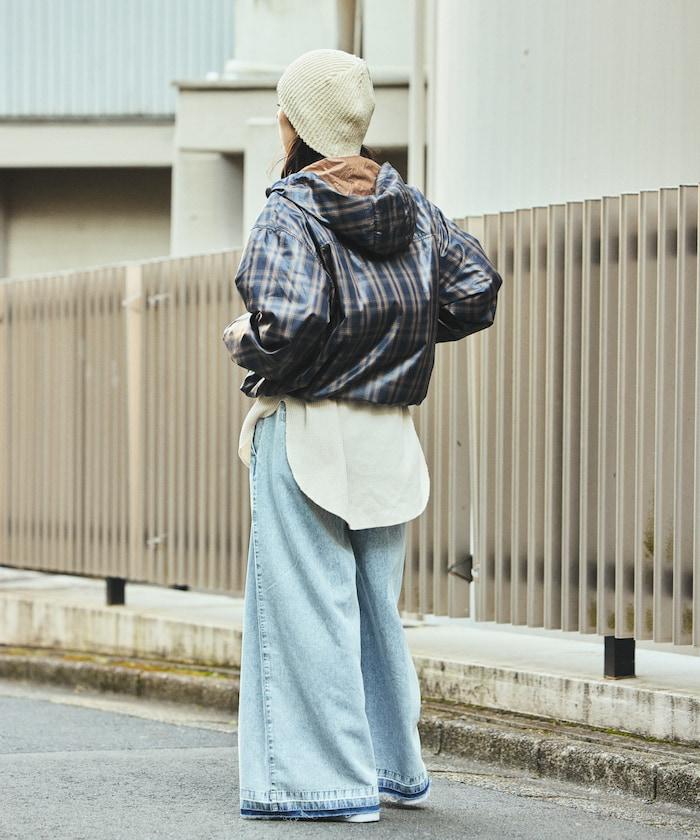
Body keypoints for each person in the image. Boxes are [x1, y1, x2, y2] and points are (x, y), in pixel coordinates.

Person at [222, 47, 503, 823]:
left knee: (307, 611)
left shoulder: (290, 210)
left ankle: (326, 785)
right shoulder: (411, 209)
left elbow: (290, 326)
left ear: (293, 124)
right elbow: (475, 291)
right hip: (389, 436)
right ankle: (390, 769)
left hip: (307, 429)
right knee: (375, 609)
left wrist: (243, 339)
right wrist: (394, 334)